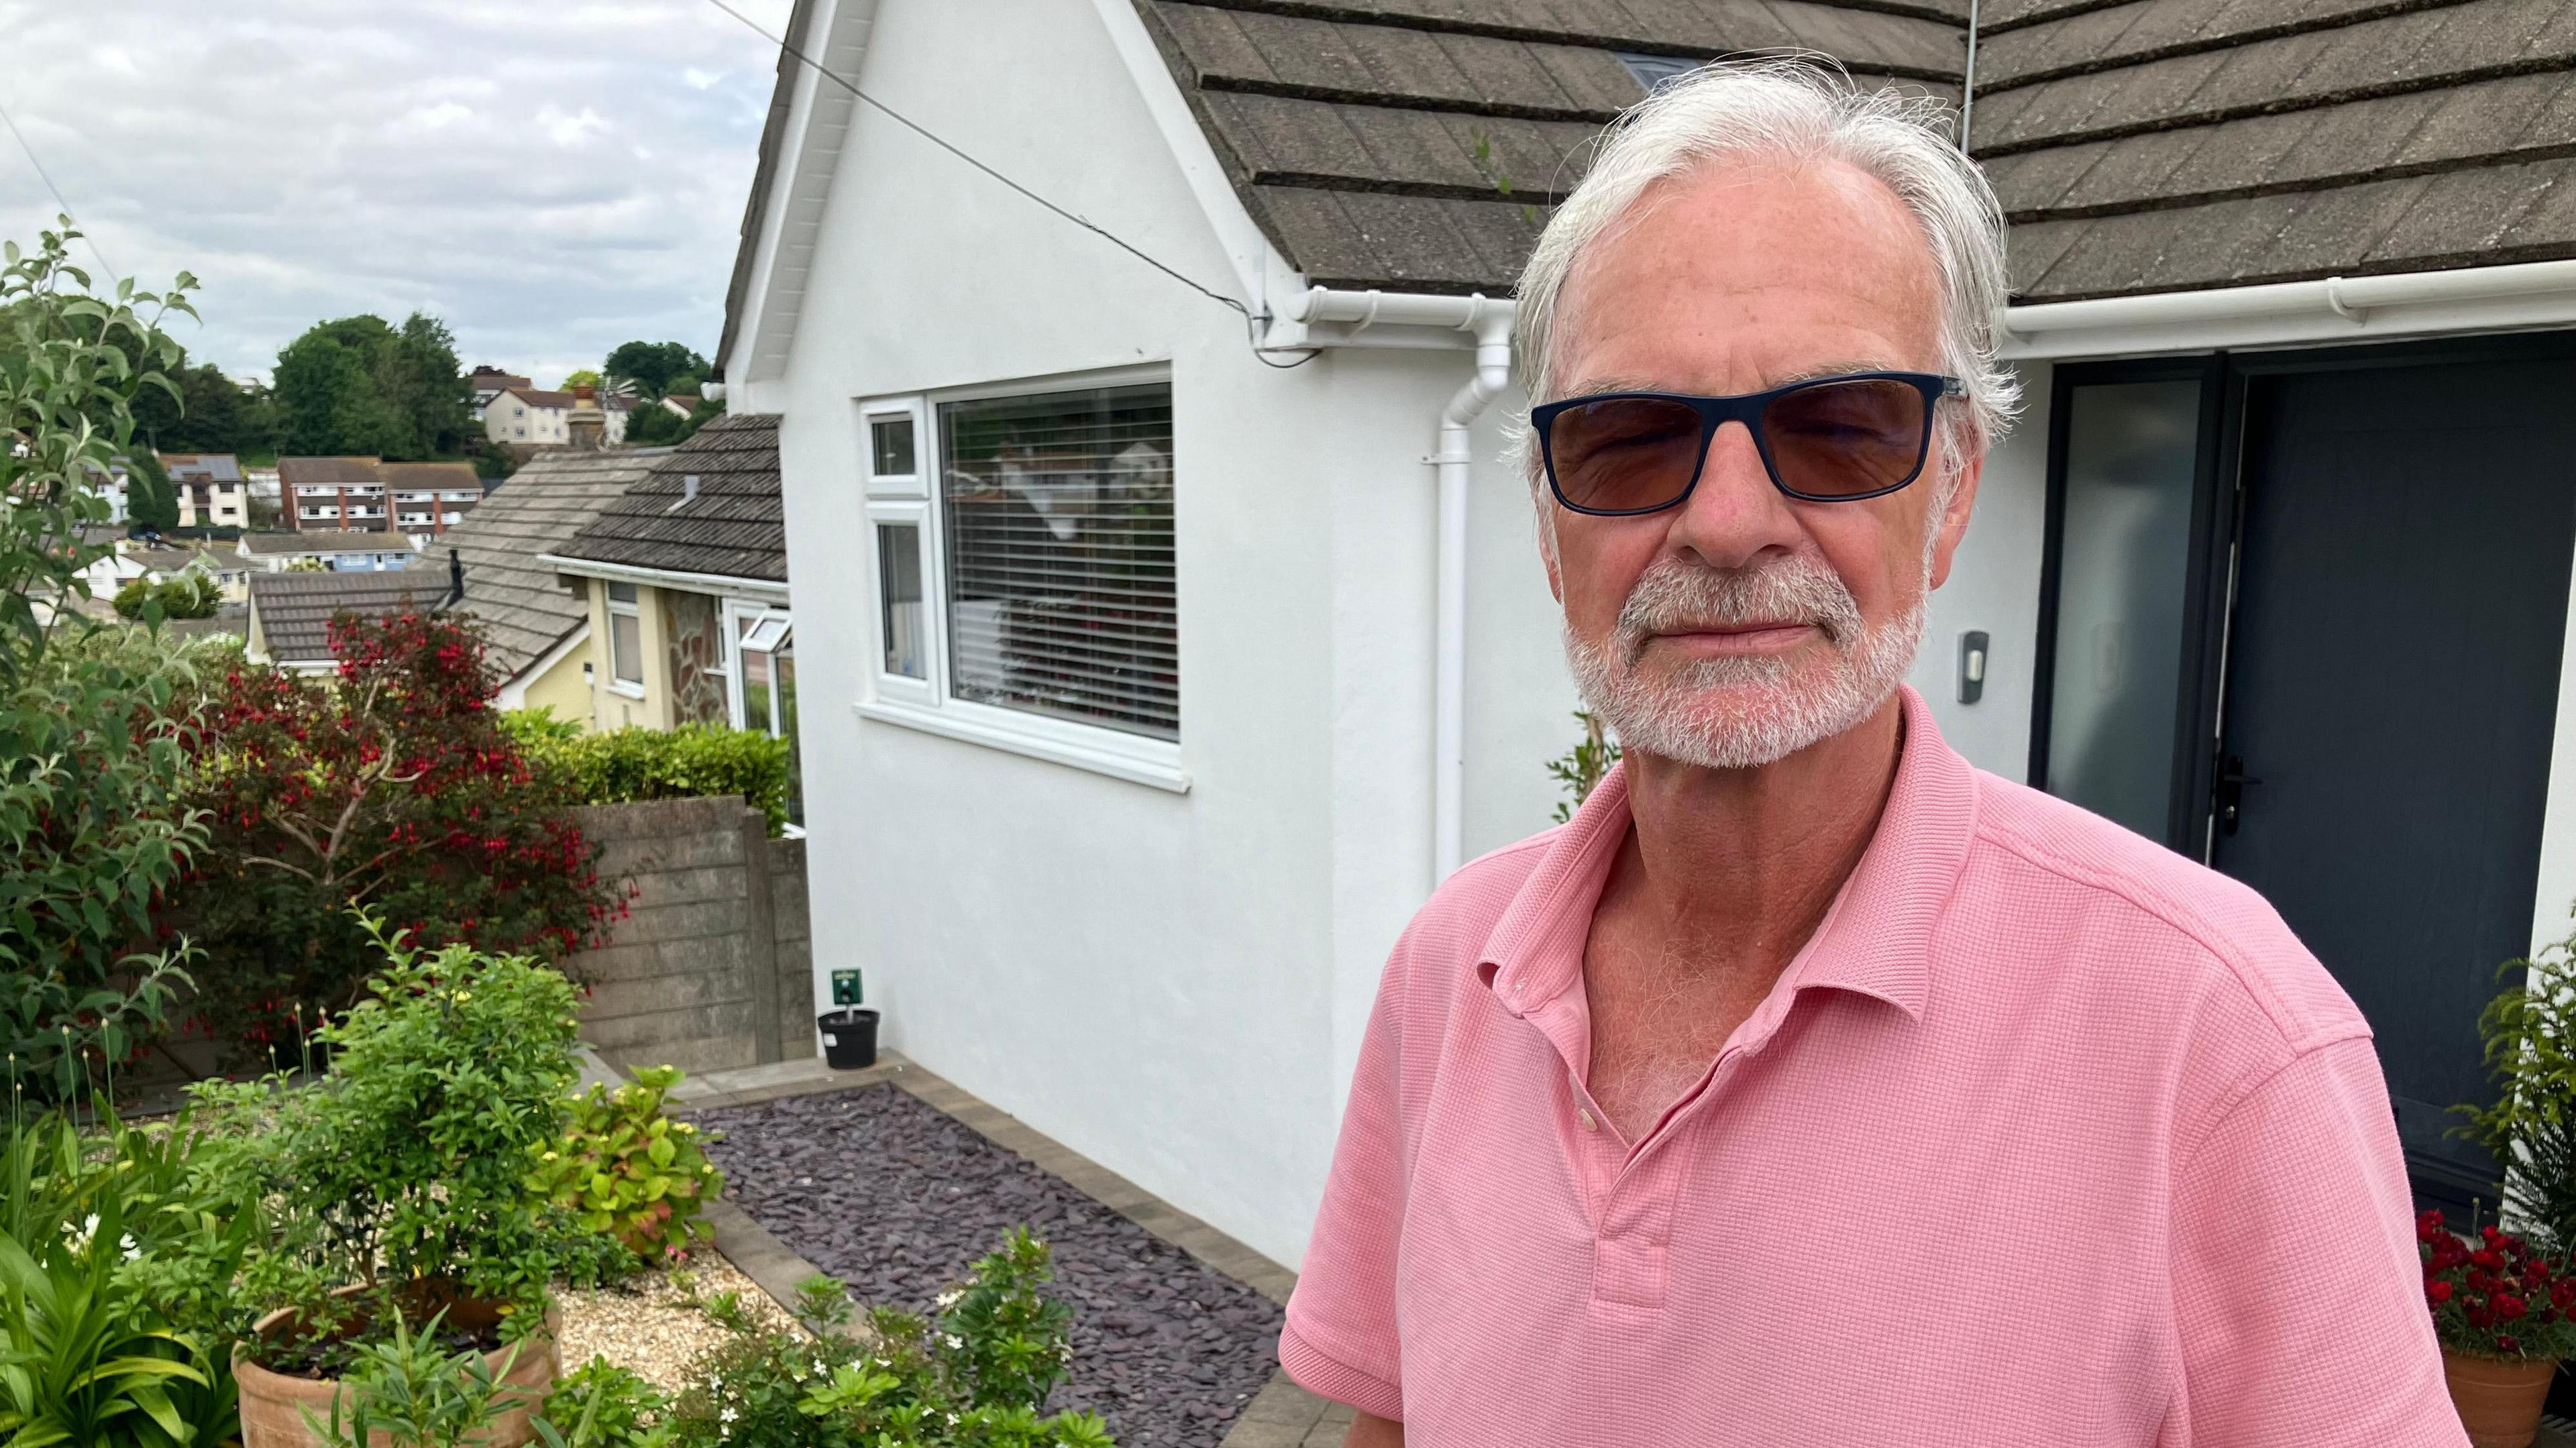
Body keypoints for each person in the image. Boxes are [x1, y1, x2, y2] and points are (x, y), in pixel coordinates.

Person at [1280, 62, 2462, 1447]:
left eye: (1839, 429)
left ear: (1951, 493)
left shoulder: (2220, 1034)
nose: (1729, 523)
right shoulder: (1452, 967)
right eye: (1630, 436)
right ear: (1550, 524)